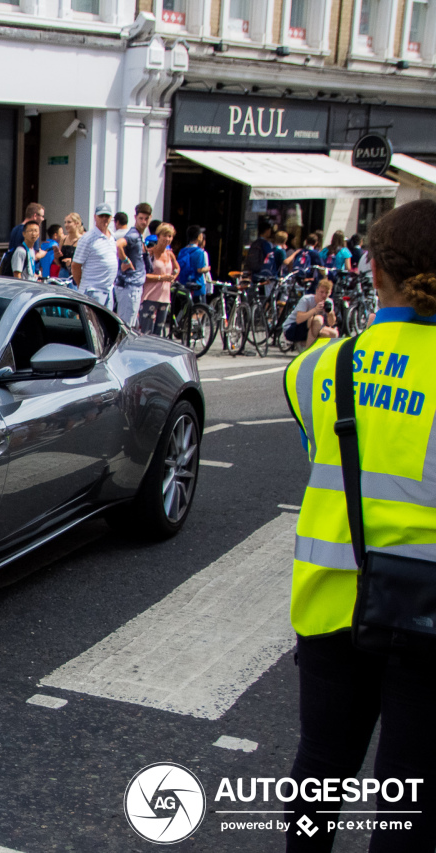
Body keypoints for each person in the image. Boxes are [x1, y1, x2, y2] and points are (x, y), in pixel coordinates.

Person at [282, 198, 436, 853]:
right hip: (428, 615)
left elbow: (321, 444)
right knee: (408, 797)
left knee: (318, 770)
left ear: (373, 272)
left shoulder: (320, 367)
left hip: (330, 605)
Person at [72, 203, 119, 308]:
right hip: (93, 290)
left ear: (111, 218)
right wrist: (83, 285)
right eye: (101, 216)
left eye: (107, 216)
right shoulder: (87, 238)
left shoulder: (112, 237)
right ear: (95, 217)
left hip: (108, 290)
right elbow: (75, 265)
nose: (104, 219)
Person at [114, 203, 151, 327]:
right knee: (125, 327)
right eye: (141, 218)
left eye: (146, 219)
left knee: (129, 326)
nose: (143, 222)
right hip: (129, 287)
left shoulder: (139, 235)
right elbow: (119, 244)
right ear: (135, 217)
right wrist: (126, 261)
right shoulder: (133, 235)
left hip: (133, 287)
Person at [140, 223, 179, 335]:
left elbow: (177, 268)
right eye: (165, 235)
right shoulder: (150, 253)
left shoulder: (170, 254)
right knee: (146, 331)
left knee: (159, 332)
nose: (167, 239)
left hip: (165, 298)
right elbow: (144, 275)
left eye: (170, 236)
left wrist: (173, 276)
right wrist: (162, 278)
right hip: (150, 296)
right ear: (158, 236)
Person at [282, 277, 340, 349]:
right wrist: (314, 310)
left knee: (333, 334)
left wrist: (330, 313)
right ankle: (308, 352)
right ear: (316, 291)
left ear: (330, 293)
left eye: (326, 293)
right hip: (292, 328)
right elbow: (298, 319)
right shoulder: (306, 299)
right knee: (318, 319)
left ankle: (317, 352)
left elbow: (331, 323)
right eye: (322, 292)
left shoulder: (329, 302)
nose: (324, 295)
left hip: (314, 327)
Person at [177, 225, 211, 301]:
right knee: (200, 309)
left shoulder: (182, 250)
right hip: (197, 285)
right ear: (198, 237)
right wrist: (207, 269)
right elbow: (199, 269)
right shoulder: (199, 252)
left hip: (184, 284)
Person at [58, 212, 84, 283]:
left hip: (75, 273)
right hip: (63, 273)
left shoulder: (82, 240)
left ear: (77, 223)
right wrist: (56, 255)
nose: (66, 225)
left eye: (69, 222)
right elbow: (58, 262)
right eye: (65, 222)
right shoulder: (63, 239)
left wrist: (71, 261)